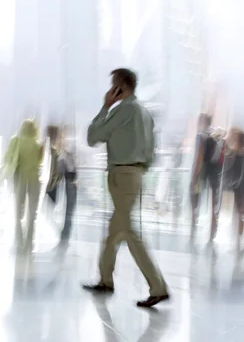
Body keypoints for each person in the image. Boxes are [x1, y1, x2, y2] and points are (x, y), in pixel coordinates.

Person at [82, 68, 169, 308]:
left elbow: (93, 137)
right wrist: (140, 168)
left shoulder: (123, 110)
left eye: (113, 86)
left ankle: (158, 287)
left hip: (122, 174)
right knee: (114, 233)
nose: (110, 91)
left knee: (129, 231)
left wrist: (105, 106)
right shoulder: (144, 112)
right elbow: (151, 149)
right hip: (135, 173)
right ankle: (105, 279)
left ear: (120, 87)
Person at [2, 119, 45, 253]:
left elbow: (8, 159)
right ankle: (29, 243)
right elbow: (39, 162)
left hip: (20, 179)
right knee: (32, 214)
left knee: (18, 212)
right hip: (34, 180)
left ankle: (19, 241)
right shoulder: (37, 145)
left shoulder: (16, 141)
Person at [189, 113, 223, 243]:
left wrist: (194, 177)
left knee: (195, 200)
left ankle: (193, 229)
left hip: (202, 173)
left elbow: (199, 157)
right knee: (213, 203)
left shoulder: (201, 135)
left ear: (202, 121)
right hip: (214, 173)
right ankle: (212, 234)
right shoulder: (216, 136)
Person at [45, 125, 78, 249]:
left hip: (70, 181)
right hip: (63, 182)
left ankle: (64, 240)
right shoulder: (59, 152)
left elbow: (67, 168)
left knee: (68, 212)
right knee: (61, 213)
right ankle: (63, 239)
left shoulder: (65, 151)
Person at [222, 128, 244, 251]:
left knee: (234, 213)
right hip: (243, 184)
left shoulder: (231, 152)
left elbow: (226, 169)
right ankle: (239, 241)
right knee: (241, 213)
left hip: (232, 186)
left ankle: (235, 241)